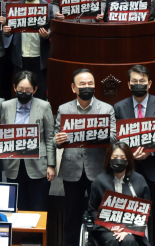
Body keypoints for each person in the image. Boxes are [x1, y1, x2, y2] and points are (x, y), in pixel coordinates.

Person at [113, 65, 155, 246]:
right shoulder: (119, 107)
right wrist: (128, 154)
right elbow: (115, 139)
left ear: (149, 84)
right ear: (128, 84)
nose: (138, 84)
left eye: (142, 81)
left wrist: (150, 150)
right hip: (129, 171)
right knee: (133, 217)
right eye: (134, 81)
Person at [55, 68, 116, 246]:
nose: (87, 87)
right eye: (82, 84)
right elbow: (55, 139)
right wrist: (57, 140)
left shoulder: (106, 108)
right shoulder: (64, 109)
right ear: (73, 87)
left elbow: (114, 138)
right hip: (71, 169)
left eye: (90, 84)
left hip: (98, 169)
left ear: (95, 86)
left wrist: (99, 135)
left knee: (100, 215)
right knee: (72, 216)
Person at [0, 71, 55, 211]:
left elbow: (50, 137)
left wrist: (51, 165)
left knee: (38, 208)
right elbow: (3, 133)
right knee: (18, 207)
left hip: (38, 165)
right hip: (14, 165)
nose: (24, 92)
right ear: (14, 88)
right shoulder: (6, 106)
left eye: (28, 90)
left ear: (35, 90)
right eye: (20, 89)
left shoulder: (44, 106)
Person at [88, 142, 151, 246]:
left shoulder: (139, 180)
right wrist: (108, 226)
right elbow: (93, 209)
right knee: (113, 240)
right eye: (115, 157)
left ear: (128, 160)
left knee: (128, 240)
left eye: (122, 157)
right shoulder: (99, 181)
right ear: (109, 159)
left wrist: (128, 230)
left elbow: (146, 212)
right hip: (106, 229)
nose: (118, 160)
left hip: (132, 228)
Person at [3, 0, 52, 99]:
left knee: (40, 89)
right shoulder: (14, 7)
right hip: (20, 56)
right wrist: (6, 31)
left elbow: (54, 28)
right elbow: (8, 30)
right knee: (21, 89)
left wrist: (47, 34)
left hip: (39, 56)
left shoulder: (48, 7)